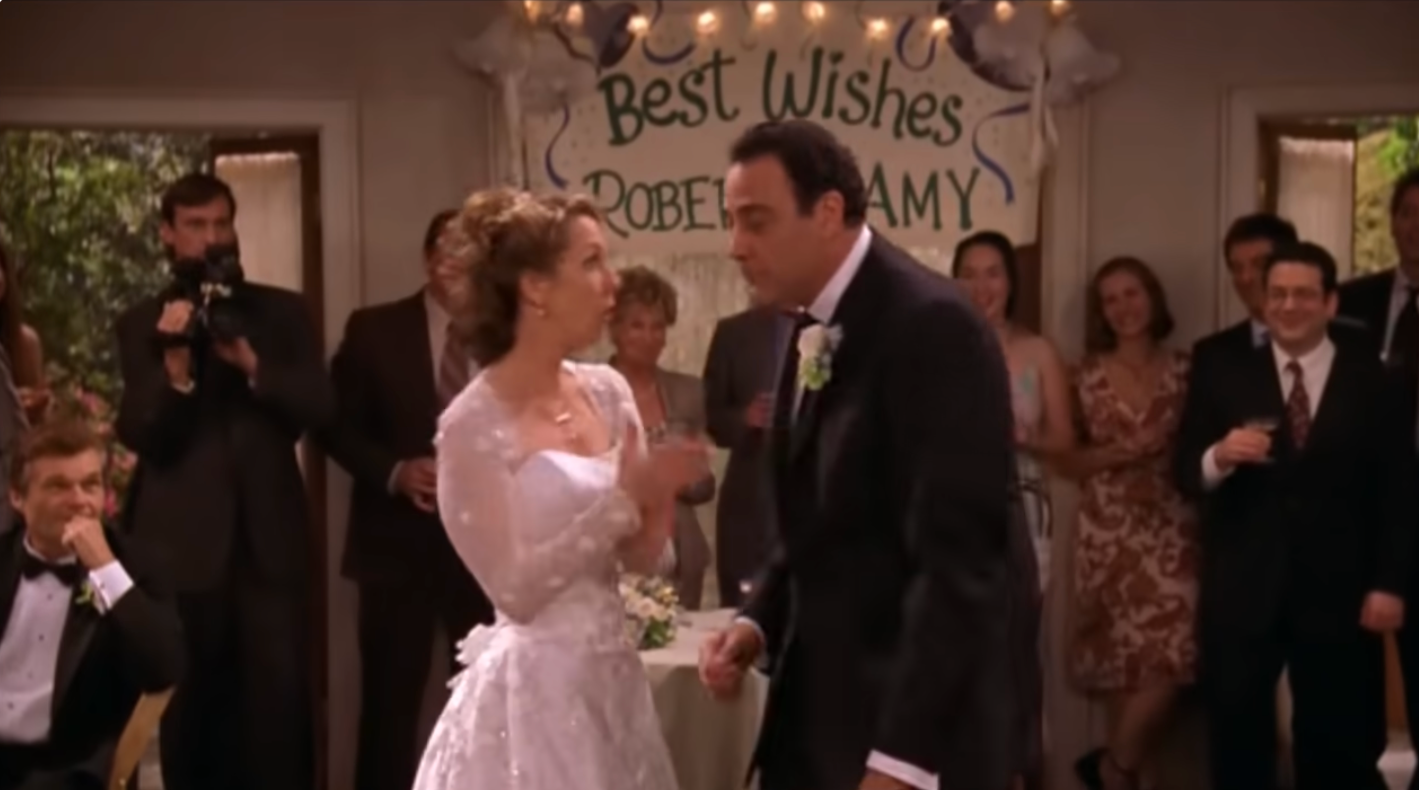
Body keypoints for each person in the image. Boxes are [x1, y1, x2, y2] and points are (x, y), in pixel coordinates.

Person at [697, 119, 1036, 790]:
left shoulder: (931, 324)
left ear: (827, 212)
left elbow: (959, 567)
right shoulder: (810, 323)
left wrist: (900, 763)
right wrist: (758, 622)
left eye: (756, 221)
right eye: (731, 223)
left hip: (904, 741)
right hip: (819, 722)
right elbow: (816, 518)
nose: (735, 247)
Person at [411, 188, 706, 790]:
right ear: (535, 288)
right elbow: (516, 591)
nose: (612, 283)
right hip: (534, 704)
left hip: (614, 684)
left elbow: (647, 561)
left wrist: (656, 500)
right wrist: (621, 504)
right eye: (592, 262)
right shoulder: (470, 427)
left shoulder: (607, 392)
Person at [113, 173, 333, 790]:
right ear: (167, 233)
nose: (211, 237)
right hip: (181, 551)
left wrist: (255, 363)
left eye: (220, 223)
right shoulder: (141, 322)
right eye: (195, 225)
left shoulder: (282, 312)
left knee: (279, 718)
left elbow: (320, 409)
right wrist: (176, 369)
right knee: (190, 722)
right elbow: (142, 433)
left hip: (270, 545)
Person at [1173, 241, 1416, 790]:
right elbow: (1185, 468)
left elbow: (1399, 490)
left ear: (1330, 303)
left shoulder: (1376, 379)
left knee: (1342, 746)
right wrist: (1218, 457)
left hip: (1341, 591)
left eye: (1304, 294)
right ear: (1264, 301)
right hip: (1243, 588)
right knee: (1239, 747)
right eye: (1278, 294)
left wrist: (1389, 584)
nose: (1288, 305)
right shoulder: (1221, 368)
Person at [320, 209, 494, 790]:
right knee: (389, 709)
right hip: (395, 549)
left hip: (487, 552)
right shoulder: (374, 329)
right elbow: (332, 425)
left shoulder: (505, 332)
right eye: (448, 249)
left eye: (471, 250)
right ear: (428, 260)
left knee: (486, 704)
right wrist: (393, 472)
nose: (458, 261)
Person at [1064, 257, 1197, 790]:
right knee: (1124, 677)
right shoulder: (1082, 376)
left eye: (1132, 293)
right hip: (1108, 533)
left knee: (1175, 660)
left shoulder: (1190, 369)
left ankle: (1110, 768)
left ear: (1153, 297)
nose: (1123, 307)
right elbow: (1066, 460)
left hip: (1174, 530)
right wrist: (1116, 453)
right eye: (1110, 299)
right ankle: (1125, 777)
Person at [0, 419, 183, 790]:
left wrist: (105, 568)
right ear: (17, 497)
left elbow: (165, 668)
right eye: (58, 486)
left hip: (69, 770)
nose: (79, 500)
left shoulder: (139, 567)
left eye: (90, 485)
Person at [607, 265, 715, 609]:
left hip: (681, 555)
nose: (649, 337)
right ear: (614, 328)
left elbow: (705, 486)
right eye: (636, 325)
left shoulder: (689, 392)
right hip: (611, 554)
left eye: (658, 326)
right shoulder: (590, 391)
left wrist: (679, 473)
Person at [701, 291, 791, 607]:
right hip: (752, 506)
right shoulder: (735, 333)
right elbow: (710, 416)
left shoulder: (838, 327)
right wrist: (744, 417)